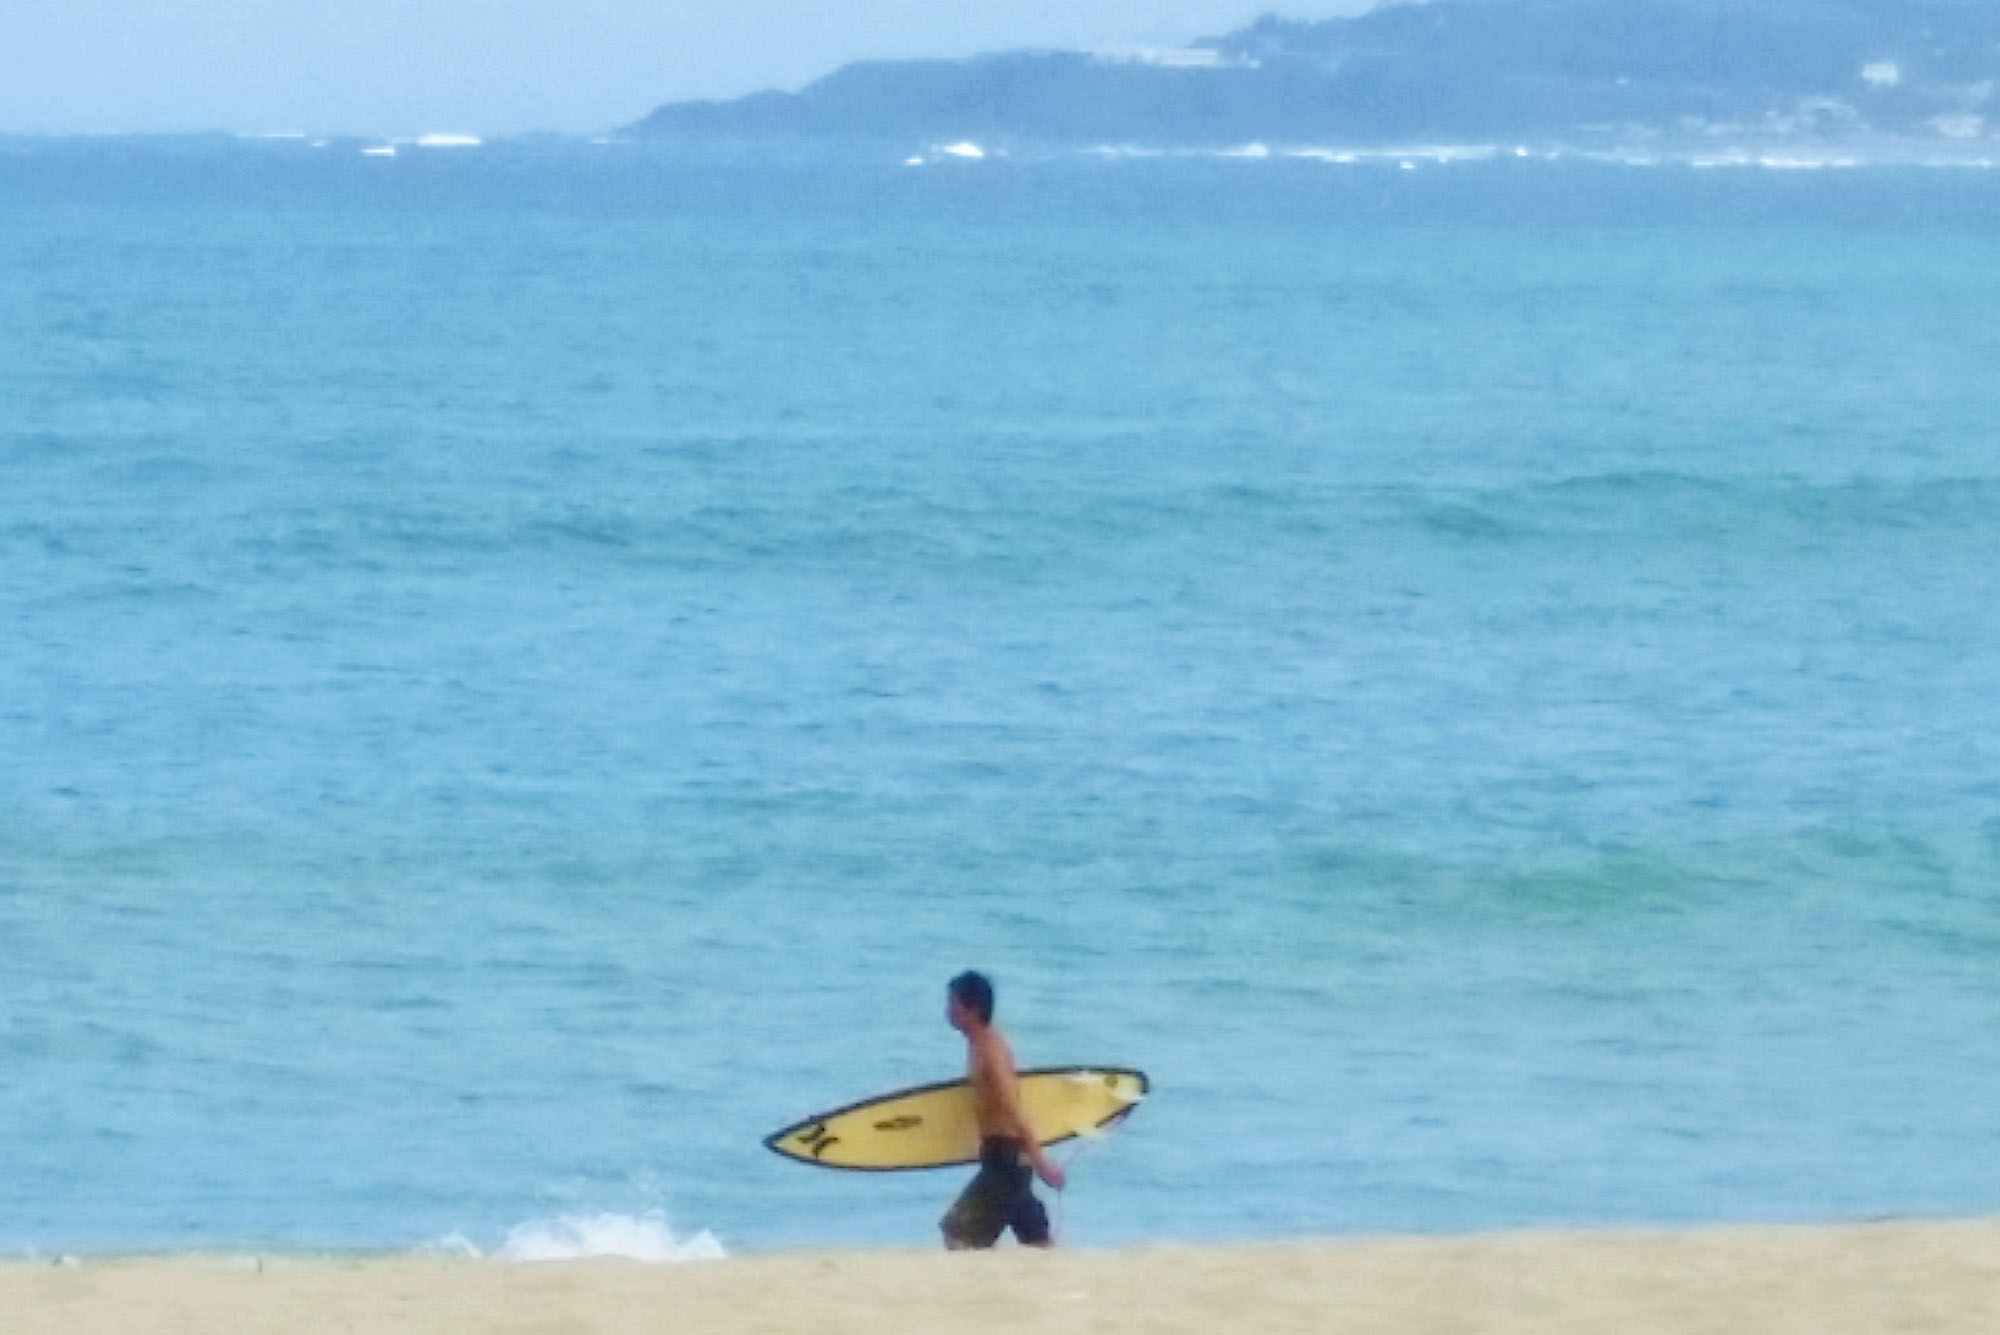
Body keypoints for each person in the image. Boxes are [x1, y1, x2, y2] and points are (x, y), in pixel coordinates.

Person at [939, 970, 1066, 1249]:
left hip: (1008, 1159)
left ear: (971, 1009)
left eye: (952, 1003)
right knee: (1036, 1239)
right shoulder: (978, 1045)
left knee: (958, 1231)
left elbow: (1013, 1108)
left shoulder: (990, 1049)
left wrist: (1041, 1161)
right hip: (1001, 1156)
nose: (947, 1010)